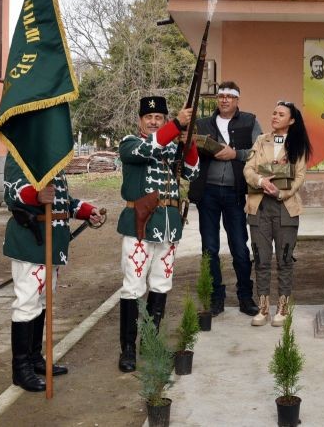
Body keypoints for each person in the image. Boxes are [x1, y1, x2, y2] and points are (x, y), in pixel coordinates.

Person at [3, 154, 103, 392]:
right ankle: (21, 369)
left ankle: (35, 358)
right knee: (27, 303)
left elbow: (63, 201)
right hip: (31, 241)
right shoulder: (20, 152)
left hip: (52, 242)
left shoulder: (50, 158)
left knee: (41, 302)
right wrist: (37, 195)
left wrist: (86, 211)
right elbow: (12, 191)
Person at [116, 96, 199, 372]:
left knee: (162, 284)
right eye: (149, 117)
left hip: (168, 225)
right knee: (133, 285)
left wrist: (189, 142)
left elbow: (192, 172)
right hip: (139, 225)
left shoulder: (172, 146)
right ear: (140, 120)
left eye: (159, 118)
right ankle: (128, 348)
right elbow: (148, 149)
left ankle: (149, 342)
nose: (153, 121)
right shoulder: (130, 143)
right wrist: (175, 125)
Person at [188, 82, 262, 317]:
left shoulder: (250, 121)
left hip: (235, 192)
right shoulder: (202, 124)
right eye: (221, 96)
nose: (224, 99)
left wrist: (235, 154)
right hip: (207, 192)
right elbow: (189, 152)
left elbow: (259, 153)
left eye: (230, 96)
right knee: (209, 248)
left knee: (239, 247)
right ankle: (215, 298)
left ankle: (245, 296)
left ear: (237, 100)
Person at [244, 101, 312, 327]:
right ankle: (263, 308)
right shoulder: (261, 140)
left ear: (291, 120)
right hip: (259, 206)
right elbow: (248, 168)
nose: (275, 116)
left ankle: (282, 307)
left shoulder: (298, 144)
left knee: (284, 259)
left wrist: (282, 192)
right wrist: (261, 181)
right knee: (261, 259)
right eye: (274, 113)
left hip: (286, 207)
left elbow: (299, 176)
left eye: (281, 114)